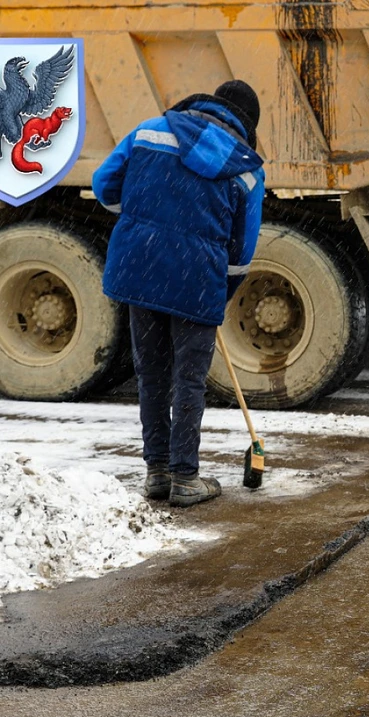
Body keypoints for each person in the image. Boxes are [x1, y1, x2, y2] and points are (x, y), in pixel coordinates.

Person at [93, 80, 266, 507]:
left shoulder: (149, 131)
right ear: (246, 124)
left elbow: (103, 186)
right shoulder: (244, 168)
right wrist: (218, 293)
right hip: (196, 279)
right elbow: (241, 253)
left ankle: (157, 472)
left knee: (150, 375)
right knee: (188, 381)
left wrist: (141, 219)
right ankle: (185, 477)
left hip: (140, 267)